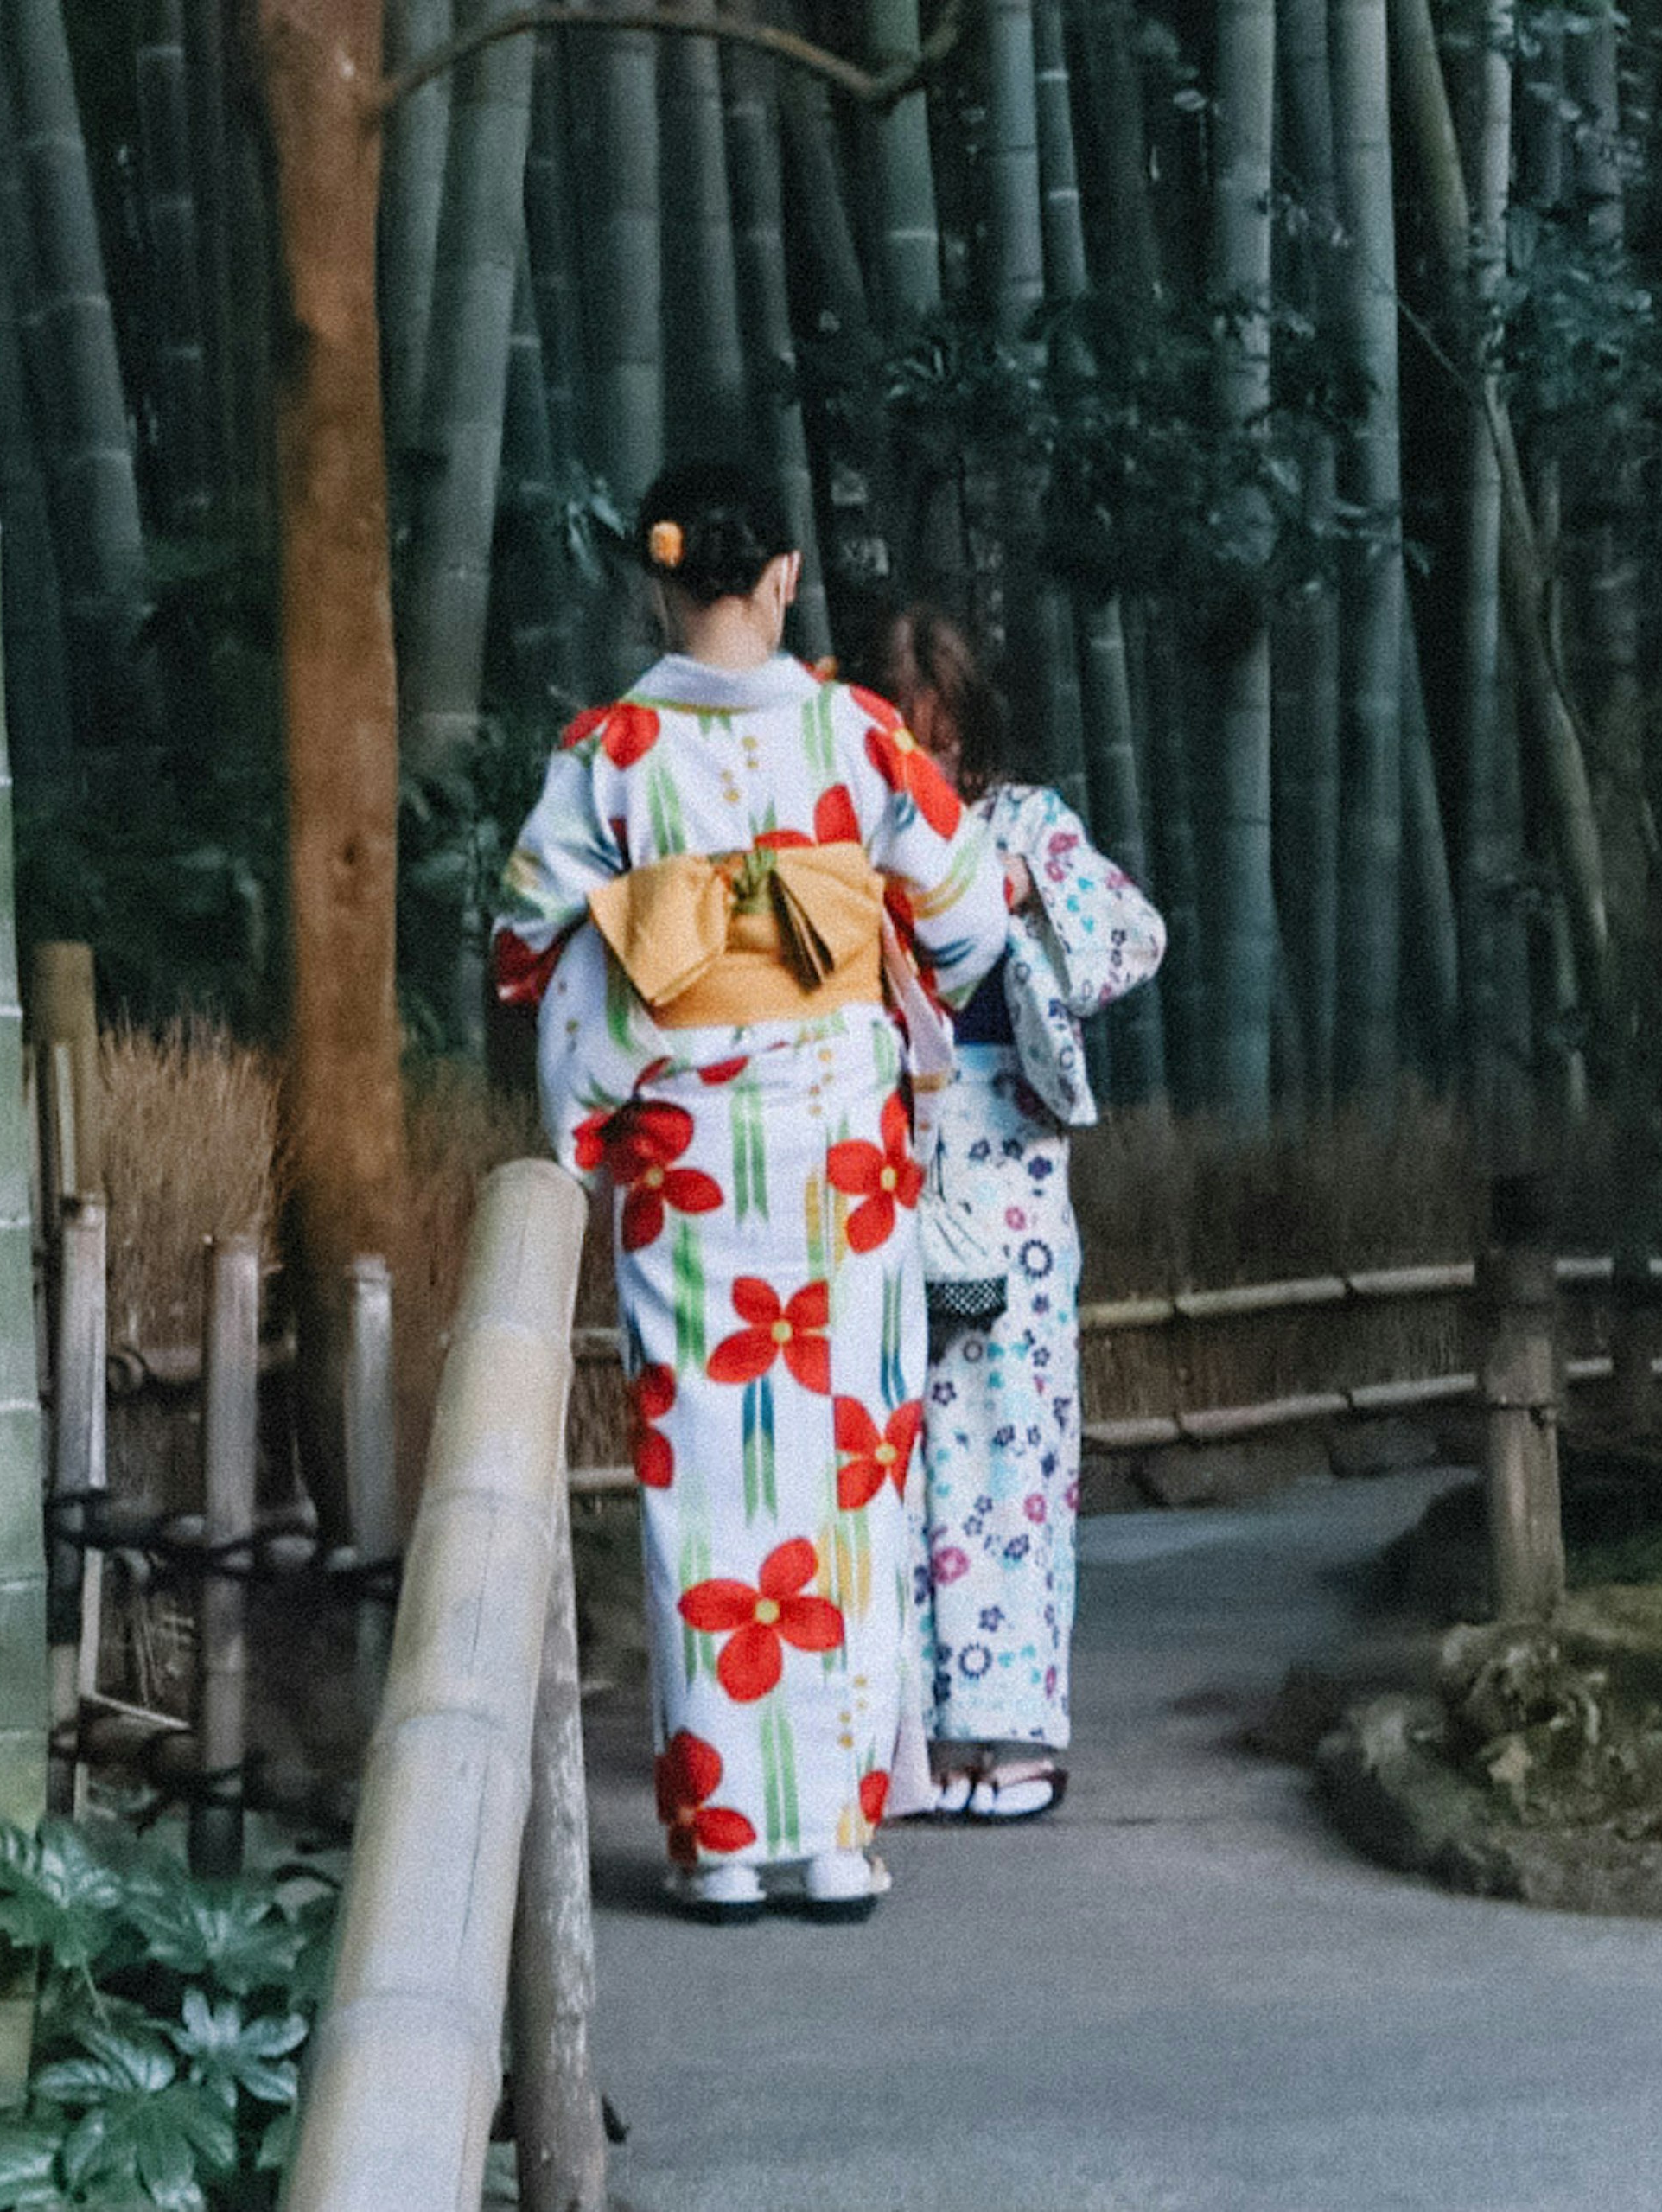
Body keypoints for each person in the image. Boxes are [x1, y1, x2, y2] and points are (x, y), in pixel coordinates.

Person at [493, 469, 1005, 1921]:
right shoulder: (855, 735)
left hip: (683, 1167)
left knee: (701, 1482)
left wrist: (660, 942)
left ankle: (719, 1843)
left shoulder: (608, 750)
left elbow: (527, 936)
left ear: (659, 583)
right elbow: (967, 914)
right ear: (782, 577)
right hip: (841, 1163)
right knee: (848, 1466)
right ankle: (835, 1837)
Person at [864, 605, 1164, 1820]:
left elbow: (1130, 940)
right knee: (903, 1447)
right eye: (908, 737)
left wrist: (1034, 889)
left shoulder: (1026, 823)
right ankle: (922, 1736)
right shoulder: (856, 831)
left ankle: (1018, 1730)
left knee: (1014, 1445)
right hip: (886, 1152)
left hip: (1013, 1159)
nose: (929, 763)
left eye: (942, 741)